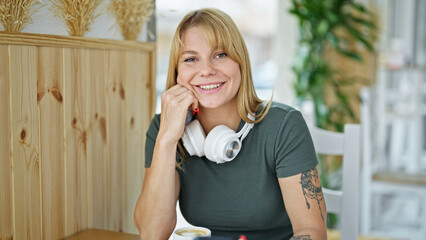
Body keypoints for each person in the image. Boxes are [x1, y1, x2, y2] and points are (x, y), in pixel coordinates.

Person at [134, 8, 327, 240]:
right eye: (191, 59)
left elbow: (312, 232)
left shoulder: (284, 126)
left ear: (240, 63)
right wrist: (166, 140)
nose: (206, 70)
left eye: (220, 55)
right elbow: (151, 234)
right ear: (177, 73)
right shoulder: (164, 129)